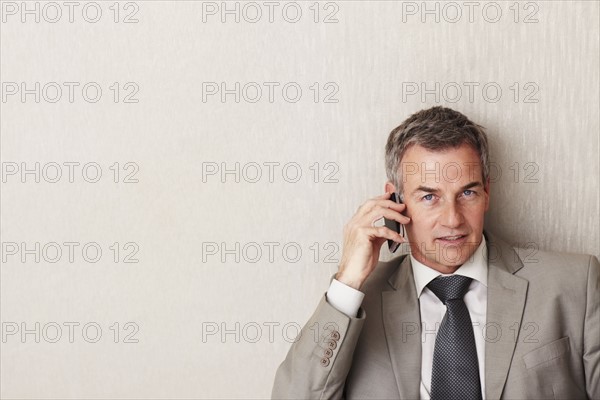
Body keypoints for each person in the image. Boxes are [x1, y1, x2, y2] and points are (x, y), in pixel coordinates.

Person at [271, 106, 599, 399]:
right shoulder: (356, 305)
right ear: (395, 200)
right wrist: (347, 282)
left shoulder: (573, 284)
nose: (452, 219)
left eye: (467, 193)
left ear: (487, 192)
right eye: (429, 197)